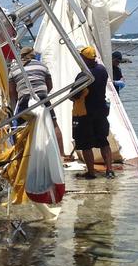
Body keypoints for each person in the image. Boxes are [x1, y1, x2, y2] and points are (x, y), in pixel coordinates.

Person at [9, 46, 65, 157]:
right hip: (42, 98)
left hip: (24, 99)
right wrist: (41, 95)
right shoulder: (42, 66)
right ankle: (61, 154)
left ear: (21, 56)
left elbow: (11, 92)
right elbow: (50, 85)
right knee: (53, 124)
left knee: (20, 127)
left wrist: (17, 101)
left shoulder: (14, 69)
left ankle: (20, 155)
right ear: (34, 55)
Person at [71, 46, 114, 179]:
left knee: (85, 144)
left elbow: (74, 94)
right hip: (101, 111)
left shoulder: (85, 74)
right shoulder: (102, 70)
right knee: (103, 141)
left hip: (85, 113)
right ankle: (109, 170)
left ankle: (91, 172)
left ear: (85, 58)